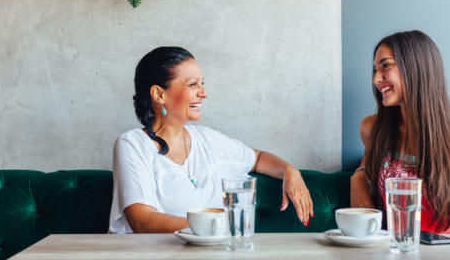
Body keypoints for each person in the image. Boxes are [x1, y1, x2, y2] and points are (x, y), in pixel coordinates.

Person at [109, 46, 314, 234]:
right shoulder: (132, 144)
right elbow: (141, 222)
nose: (204, 93)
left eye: (202, 83)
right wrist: (222, 225)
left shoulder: (208, 139)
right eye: (193, 84)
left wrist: (290, 172)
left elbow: (257, 158)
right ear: (159, 94)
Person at [350, 31, 450, 234]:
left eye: (386, 66)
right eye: (374, 70)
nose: (375, 79)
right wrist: (359, 176)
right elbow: (369, 156)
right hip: (400, 252)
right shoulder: (373, 129)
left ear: (416, 67)